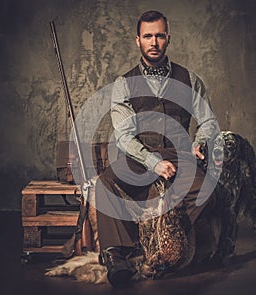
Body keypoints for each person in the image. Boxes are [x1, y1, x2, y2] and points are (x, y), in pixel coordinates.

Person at [94, 10, 219, 288]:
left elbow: (209, 121)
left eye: (159, 36)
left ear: (168, 39)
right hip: (139, 155)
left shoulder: (190, 79)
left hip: (180, 155)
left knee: (206, 191)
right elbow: (124, 136)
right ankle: (119, 256)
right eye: (147, 36)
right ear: (137, 40)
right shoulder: (124, 83)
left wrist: (199, 142)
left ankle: (167, 245)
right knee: (105, 184)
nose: (154, 42)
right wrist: (153, 163)